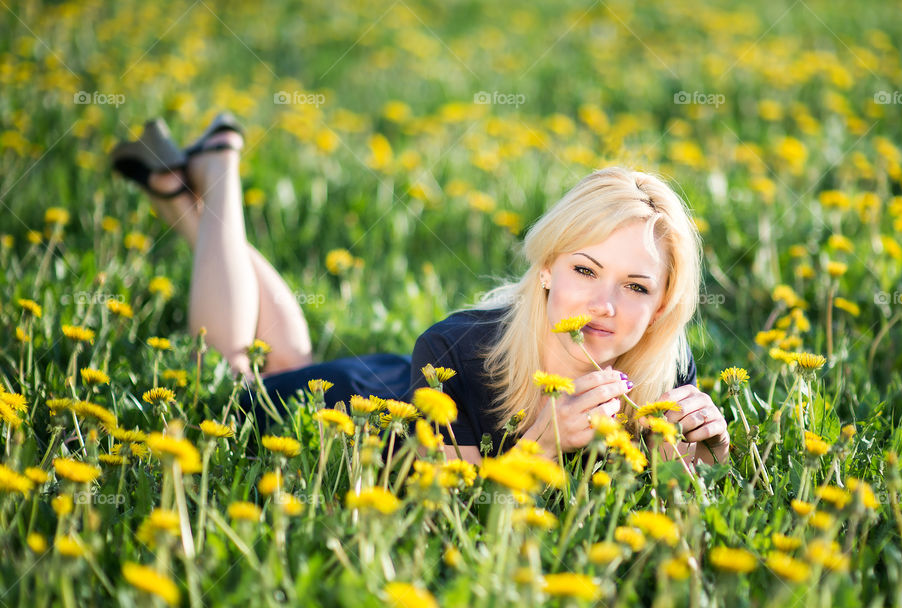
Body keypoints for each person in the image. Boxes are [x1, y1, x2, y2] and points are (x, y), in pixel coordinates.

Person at [110, 114, 729, 468]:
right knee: (240, 372)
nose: (606, 306)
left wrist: (704, 458)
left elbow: (673, 490)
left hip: (389, 375)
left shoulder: (664, 367)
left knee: (294, 351)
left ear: (665, 302)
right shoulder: (457, 349)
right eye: (585, 271)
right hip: (355, 413)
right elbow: (437, 498)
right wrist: (543, 443)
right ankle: (218, 172)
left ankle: (180, 192)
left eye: (637, 285)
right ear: (545, 268)